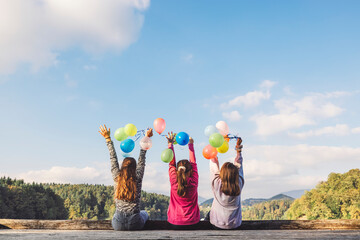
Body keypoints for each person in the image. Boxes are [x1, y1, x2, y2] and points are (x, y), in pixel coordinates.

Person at [98, 124, 153, 231]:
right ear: (135, 168)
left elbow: (112, 158)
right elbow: (142, 158)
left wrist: (108, 138)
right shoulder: (137, 178)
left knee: (116, 213)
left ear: (122, 167)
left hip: (118, 224)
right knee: (145, 213)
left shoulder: (117, 177)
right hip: (135, 223)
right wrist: (147, 137)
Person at [166, 132, 200, 230]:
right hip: (193, 223)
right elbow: (193, 163)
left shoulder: (174, 180)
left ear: (177, 171)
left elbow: (171, 164)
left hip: (174, 223)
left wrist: (170, 144)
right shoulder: (194, 181)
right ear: (191, 171)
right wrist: (191, 145)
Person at [208, 138, 244, 229]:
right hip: (235, 225)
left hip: (218, 225)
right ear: (236, 174)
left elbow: (214, 167)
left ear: (221, 174)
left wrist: (214, 148)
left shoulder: (216, 184)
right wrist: (238, 150)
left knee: (208, 214)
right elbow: (239, 165)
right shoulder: (239, 184)